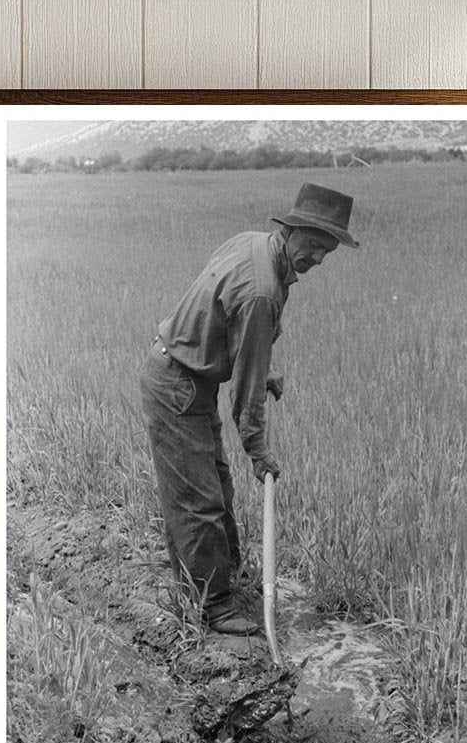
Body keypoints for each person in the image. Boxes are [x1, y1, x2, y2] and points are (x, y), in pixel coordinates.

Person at [139, 182, 359, 635]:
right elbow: (245, 388)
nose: (317, 259)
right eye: (314, 246)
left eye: (326, 252)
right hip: (177, 383)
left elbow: (227, 322)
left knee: (216, 489)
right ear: (292, 231)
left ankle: (223, 583)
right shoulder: (262, 290)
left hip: (189, 376)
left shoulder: (253, 243)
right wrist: (259, 452)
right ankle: (212, 606)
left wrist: (259, 366)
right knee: (198, 500)